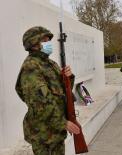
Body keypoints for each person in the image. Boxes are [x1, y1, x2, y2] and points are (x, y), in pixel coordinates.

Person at [15, 26, 80, 155]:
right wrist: (63, 122)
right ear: (33, 44)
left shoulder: (51, 64)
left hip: (56, 131)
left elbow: (63, 92)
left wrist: (69, 78)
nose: (48, 43)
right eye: (44, 40)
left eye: (48, 40)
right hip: (43, 134)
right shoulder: (31, 66)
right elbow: (40, 103)